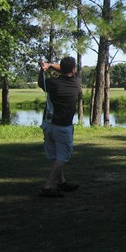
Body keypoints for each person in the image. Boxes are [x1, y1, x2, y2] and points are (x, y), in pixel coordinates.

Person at [38, 56, 82, 197]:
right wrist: (51, 65)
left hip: (48, 125)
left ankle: (61, 182)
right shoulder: (76, 82)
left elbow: (41, 82)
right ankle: (48, 186)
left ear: (61, 68)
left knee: (56, 156)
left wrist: (45, 68)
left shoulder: (52, 83)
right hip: (63, 127)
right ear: (73, 69)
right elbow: (66, 70)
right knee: (63, 157)